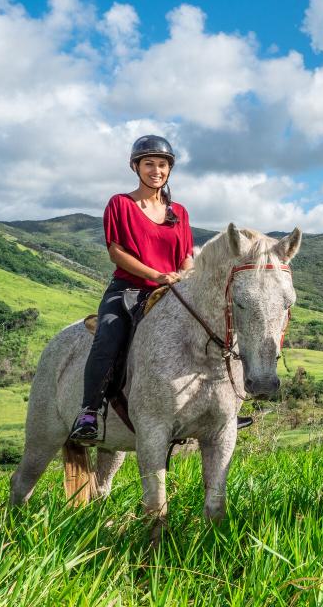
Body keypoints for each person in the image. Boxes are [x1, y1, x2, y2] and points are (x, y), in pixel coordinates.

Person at [69, 135, 195, 441]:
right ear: (136, 167)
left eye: (162, 165)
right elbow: (116, 252)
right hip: (127, 291)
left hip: (171, 292)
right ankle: (88, 412)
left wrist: (186, 277)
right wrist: (158, 274)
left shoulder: (178, 211)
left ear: (169, 169)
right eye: (149, 164)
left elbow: (187, 256)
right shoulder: (120, 204)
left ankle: (221, 407)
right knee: (107, 337)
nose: (156, 170)